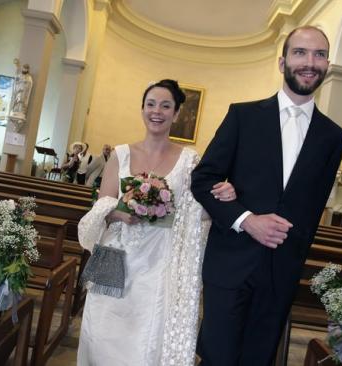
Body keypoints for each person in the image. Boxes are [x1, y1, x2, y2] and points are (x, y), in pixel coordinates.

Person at [191, 26, 342, 365]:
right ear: (282, 62)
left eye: (319, 54)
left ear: (328, 65)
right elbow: (203, 179)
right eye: (301, 52)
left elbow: (312, 209)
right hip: (231, 263)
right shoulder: (243, 116)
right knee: (217, 358)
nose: (310, 62)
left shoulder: (334, 137)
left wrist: (292, 263)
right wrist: (246, 219)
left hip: (281, 271)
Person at [77, 79, 237, 366]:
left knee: (146, 342)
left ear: (176, 114)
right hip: (117, 256)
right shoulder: (120, 154)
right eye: (151, 104)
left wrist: (225, 194)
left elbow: (200, 211)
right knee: (102, 335)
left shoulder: (190, 160)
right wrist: (119, 212)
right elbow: (102, 205)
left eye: (166, 106)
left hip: (161, 265)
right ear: (142, 109)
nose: (157, 111)